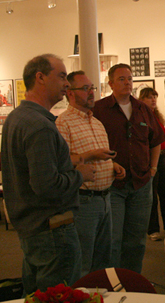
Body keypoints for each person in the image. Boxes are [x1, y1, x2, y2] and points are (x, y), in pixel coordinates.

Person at [1, 54, 96, 294]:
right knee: (59, 297)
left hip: (33, 229)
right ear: (40, 77)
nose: (67, 84)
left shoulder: (17, 118)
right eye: (62, 76)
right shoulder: (40, 125)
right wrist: (80, 176)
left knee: (37, 296)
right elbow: (46, 186)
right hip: (52, 230)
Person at [92, 63, 165, 273]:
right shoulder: (99, 109)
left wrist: (152, 170)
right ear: (111, 83)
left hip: (141, 183)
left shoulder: (143, 109)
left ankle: (132, 282)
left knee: (136, 241)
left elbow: (156, 140)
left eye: (130, 79)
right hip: (113, 185)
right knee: (113, 240)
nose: (127, 82)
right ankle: (113, 283)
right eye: (122, 79)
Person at [56, 71, 126, 276]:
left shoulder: (96, 122)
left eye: (92, 88)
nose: (91, 93)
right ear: (70, 93)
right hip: (83, 201)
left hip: (105, 198)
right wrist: (92, 154)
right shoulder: (63, 123)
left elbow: (99, 154)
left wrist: (113, 165)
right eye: (85, 88)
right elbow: (62, 163)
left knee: (104, 261)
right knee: (83, 260)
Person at [138, 87, 165, 241]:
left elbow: (163, 142)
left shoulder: (156, 116)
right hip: (150, 160)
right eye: (149, 97)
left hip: (163, 158)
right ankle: (153, 229)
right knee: (151, 196)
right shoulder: (139, 116)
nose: (153, 100)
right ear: (142, 99)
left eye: (154, 97)